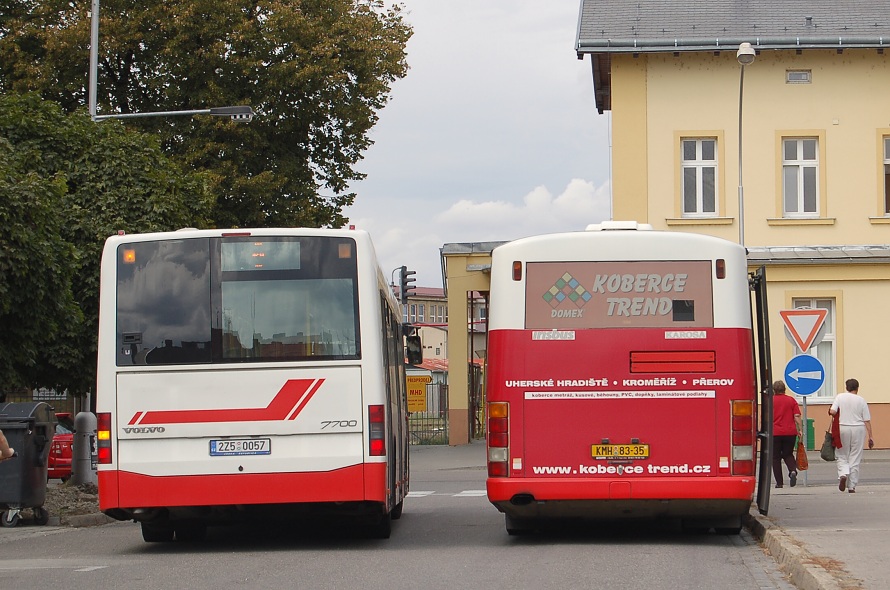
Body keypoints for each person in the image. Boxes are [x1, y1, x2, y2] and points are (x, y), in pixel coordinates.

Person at [829, 378, 874, 493]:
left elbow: (833, 412)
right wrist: (871, 436)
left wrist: (830, 410)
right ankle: (851, 486)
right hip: (858, 429)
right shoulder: (861, 400)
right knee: (855, 456)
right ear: (857, 388)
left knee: (841, 454)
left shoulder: (840, 397)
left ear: (846, 387)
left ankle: (843, 474)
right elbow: (867, 420)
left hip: (843, 427)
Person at [772, 380, 803, 488]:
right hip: (790, 432)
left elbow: (765, 418)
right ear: (784, 389)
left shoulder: (770, 401)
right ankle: (792, 471)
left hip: (774, 432)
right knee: (788, 454)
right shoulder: (791, 400)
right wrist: (800, 429)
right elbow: (797, 416)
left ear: (774, 390)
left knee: (775, 457)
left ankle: (779, 483)